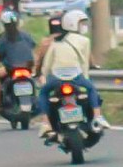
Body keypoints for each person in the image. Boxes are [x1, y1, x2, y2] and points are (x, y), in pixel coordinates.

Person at [36, 7, 104, 137]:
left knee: (43, 92)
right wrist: (84, 79)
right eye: (81, 23)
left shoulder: (55, 41)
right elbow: (84, 63)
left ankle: (45, 124)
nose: (83, 27)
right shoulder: (85, 40)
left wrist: (44, 75)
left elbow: (46, 65)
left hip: (56, 78)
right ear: (73, 23)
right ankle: (97, 117)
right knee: (91, 89)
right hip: (76, 77)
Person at [0, 16, 36, 109]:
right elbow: (32, 46)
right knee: (35, 79)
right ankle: (34, 98)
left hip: (11, 68)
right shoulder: (26, 35)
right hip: (28, 67)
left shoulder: (1, 38)